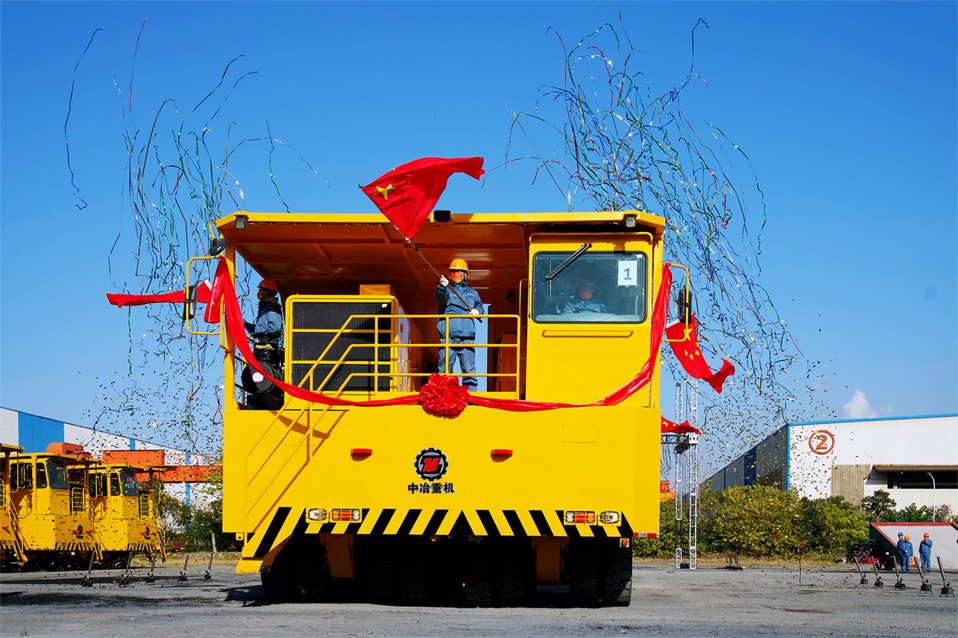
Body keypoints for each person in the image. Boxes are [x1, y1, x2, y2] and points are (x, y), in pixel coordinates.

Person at [435, 258, 483, 392]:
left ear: (466, 275)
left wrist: (478, 311)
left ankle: (470, 395)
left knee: (469, 369)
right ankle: (441, 393)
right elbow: (440, 299)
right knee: (444, 368)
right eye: (453, 273)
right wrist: (442, 287)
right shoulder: (446, 290)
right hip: (448, 336)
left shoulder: (473, 293)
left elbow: (479, 306)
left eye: (459, 273)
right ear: (449, 275)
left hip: (467, 336)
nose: (456, 275)